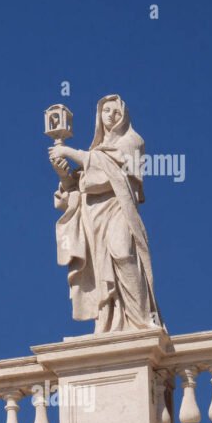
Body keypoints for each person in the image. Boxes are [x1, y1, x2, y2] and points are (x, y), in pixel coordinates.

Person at [47, 95, 163, 333]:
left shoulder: (133, 141)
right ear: (99, 116)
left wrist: (68, 150)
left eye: (116, 112)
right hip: (94, 215)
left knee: (122, 252)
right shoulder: (95, 149)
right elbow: (80, 187)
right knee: (102, 268)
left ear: (124, 116)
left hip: (119, 208)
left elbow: (112, 170)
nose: (110, 116)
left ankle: (142, 318)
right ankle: (109, 322)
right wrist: (63, 174)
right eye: (106, 111)